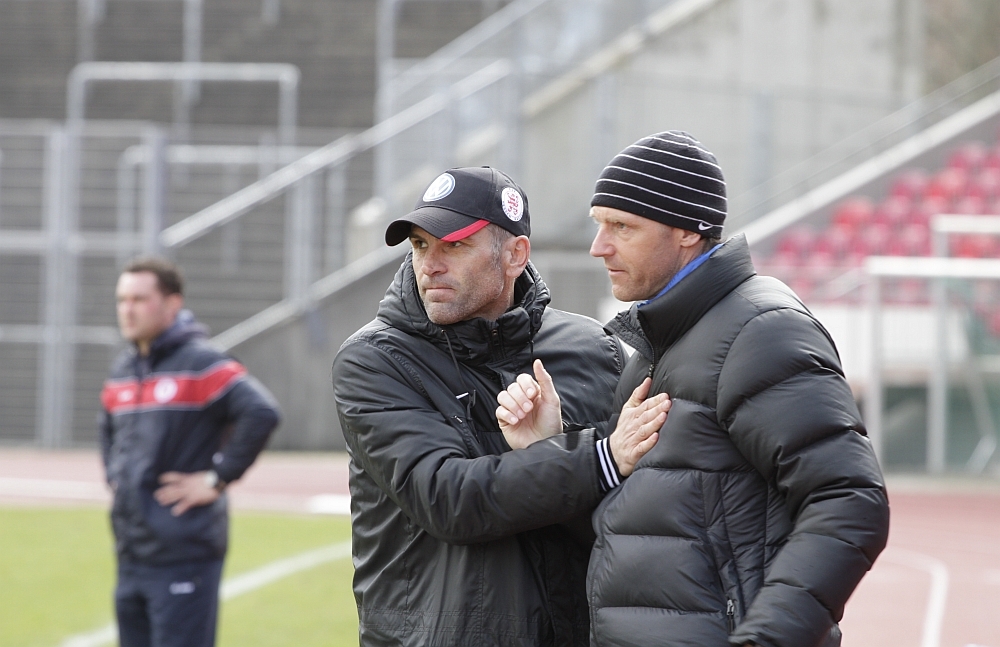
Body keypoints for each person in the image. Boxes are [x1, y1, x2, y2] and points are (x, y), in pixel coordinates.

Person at [496, 132, 891, 647]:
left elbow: (849, 498)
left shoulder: (762, 331)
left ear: (686, 231)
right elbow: (637, 532)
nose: (599, 247)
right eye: (599, 225)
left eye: (622, 226)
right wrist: (551, 447)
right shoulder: (657, 347)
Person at [332, 166, 671, 647]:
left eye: (454, 245)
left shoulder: (599, 351)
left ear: (515, 254)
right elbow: (448, 500)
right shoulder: (375, 360)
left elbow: (636, 518)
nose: (430, 265)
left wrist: (555, 447)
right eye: (420, 245)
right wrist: (597, 459)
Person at [100, 257, 280, 647]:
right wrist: (116, 479)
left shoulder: (202, 363)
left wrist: (216, 478)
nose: (127, 309)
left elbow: (261, 412)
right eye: (122, 300)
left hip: (183, 553)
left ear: (172, 304)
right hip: (131, 554)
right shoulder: (122, 371)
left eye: (139, 299)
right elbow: (108, 435)